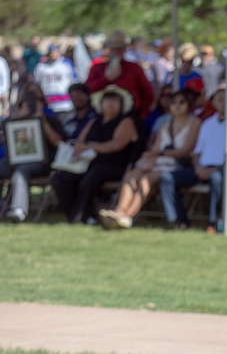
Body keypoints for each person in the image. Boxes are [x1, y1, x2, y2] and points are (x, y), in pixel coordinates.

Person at [97, 89, 201, 230]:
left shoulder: (194, 123)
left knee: (146, 180)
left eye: (182, 102)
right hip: (158, 161)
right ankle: (119, 210)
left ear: (189, 104)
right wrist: (150, 159)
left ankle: (128, 215)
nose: (177, 105)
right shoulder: (165, 125)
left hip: (176, 164)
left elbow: (185, 150)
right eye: (174, 102)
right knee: (132, 175)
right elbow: (155, 148)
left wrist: (159, 154)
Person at [158, 87, 227, 232]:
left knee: (217, 178)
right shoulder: (208, 123)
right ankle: (178, 220)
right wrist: (198, 168)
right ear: (213, 102)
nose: (223, 102)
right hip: (203, 168)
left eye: (226, 99)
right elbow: (197, 153)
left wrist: (217, 168)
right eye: (219, 99)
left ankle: (215, 223)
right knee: (167, 177)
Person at [50, 86, 139, 224]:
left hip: (114, 165)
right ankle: (76, 214)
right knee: (61, 178)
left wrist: (91, 147)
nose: (110, 104)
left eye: (115, 101)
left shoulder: (125, 121)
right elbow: (80, 142)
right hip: (88, 163)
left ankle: (80, 216)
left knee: (92, 177)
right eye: (107, 100)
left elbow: (116, 145)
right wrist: (82, 149)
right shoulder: (94, 122)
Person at [1, 90, 67, 223]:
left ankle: (18, 211)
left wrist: (43, 124)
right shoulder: (13, 119)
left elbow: (59, 142)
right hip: (14, 161)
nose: (30, 107)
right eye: (26, 103)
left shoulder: (50, 120)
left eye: (34, 102)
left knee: (21, 172)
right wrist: (16, 121)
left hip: (41, 163)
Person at [85, 30, 155, 119]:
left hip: (130, 115)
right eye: (114, 48)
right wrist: (106, 79)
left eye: (120, 48)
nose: (117, 52)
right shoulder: (97, 68)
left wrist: (143, 114)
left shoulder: (134, 68)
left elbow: (147, 92)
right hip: (102, 116)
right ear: (108, 49)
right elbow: (87, 89)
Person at [33, 43, 77, 114]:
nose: (53, 54)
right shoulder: (41, 67)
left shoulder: (67, 64)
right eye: (51, 52)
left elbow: (74, 81)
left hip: (66, 104)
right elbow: (37, 84)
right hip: (49, 104)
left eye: (55, 52)